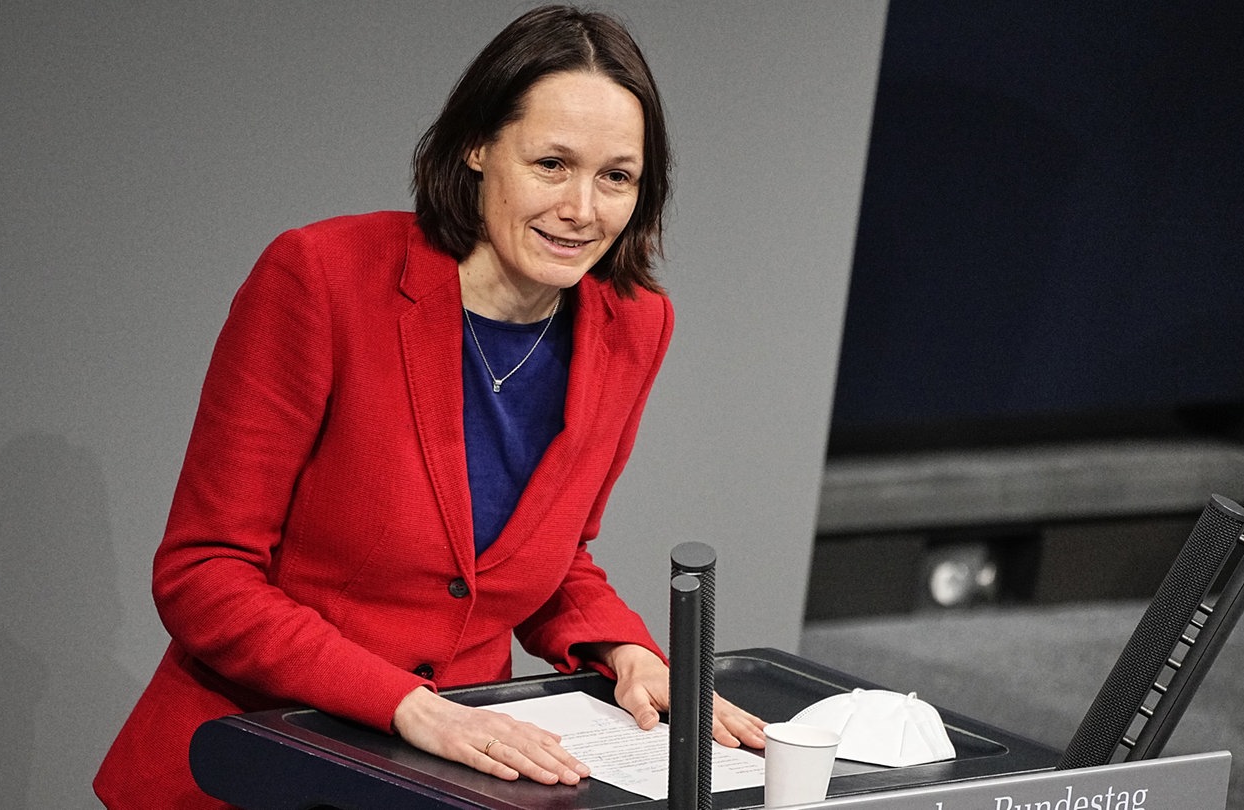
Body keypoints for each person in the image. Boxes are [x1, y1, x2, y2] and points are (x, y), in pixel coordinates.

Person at [94, 6, 765, 807]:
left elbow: (544, 565)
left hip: (449, 783)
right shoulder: (322, 277)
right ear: (477, 146)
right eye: (552, 164)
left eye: (615, 176)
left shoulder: (634, 324)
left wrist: (629, 653)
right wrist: (409, 708)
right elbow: (205, 574)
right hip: (255, 761)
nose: (583, 208)